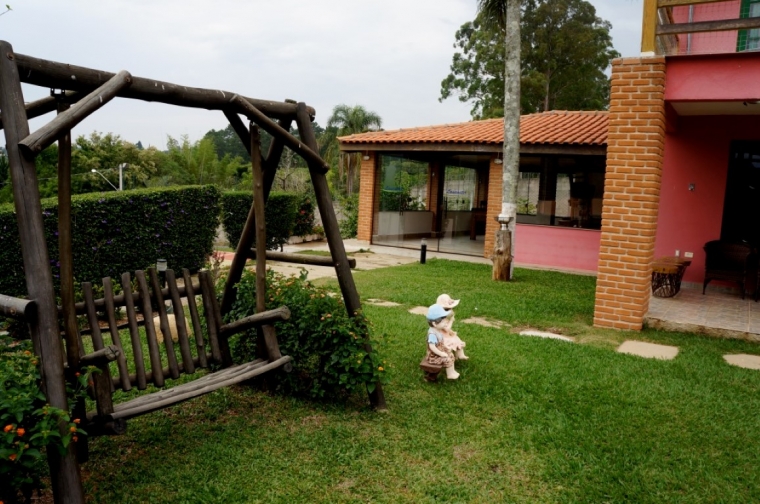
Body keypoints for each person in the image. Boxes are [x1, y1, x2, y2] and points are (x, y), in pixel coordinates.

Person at [423, 304, 459, 380]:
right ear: (434, 323)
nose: (445, 323)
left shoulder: (437, 330)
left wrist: (446, 348)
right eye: (443, 321)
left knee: (450, 354)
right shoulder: (432, 334)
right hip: (434, 356)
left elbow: (441, 343)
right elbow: (432, 347)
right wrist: (441, 353)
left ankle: (452, 372)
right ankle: (449, 374)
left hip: (440, 351)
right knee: (447, 359)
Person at [436, 294, 468, 360]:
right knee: (453, 341)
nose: (451, 310)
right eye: (448, 309)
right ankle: (451, 356)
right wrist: (451, 321)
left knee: (457, 339)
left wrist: (451, 332)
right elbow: (446, 329)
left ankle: (460, 355)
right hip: (442, 338)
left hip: (447, 335)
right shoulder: (440, 320)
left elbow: (448, 330)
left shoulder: (445, 319)